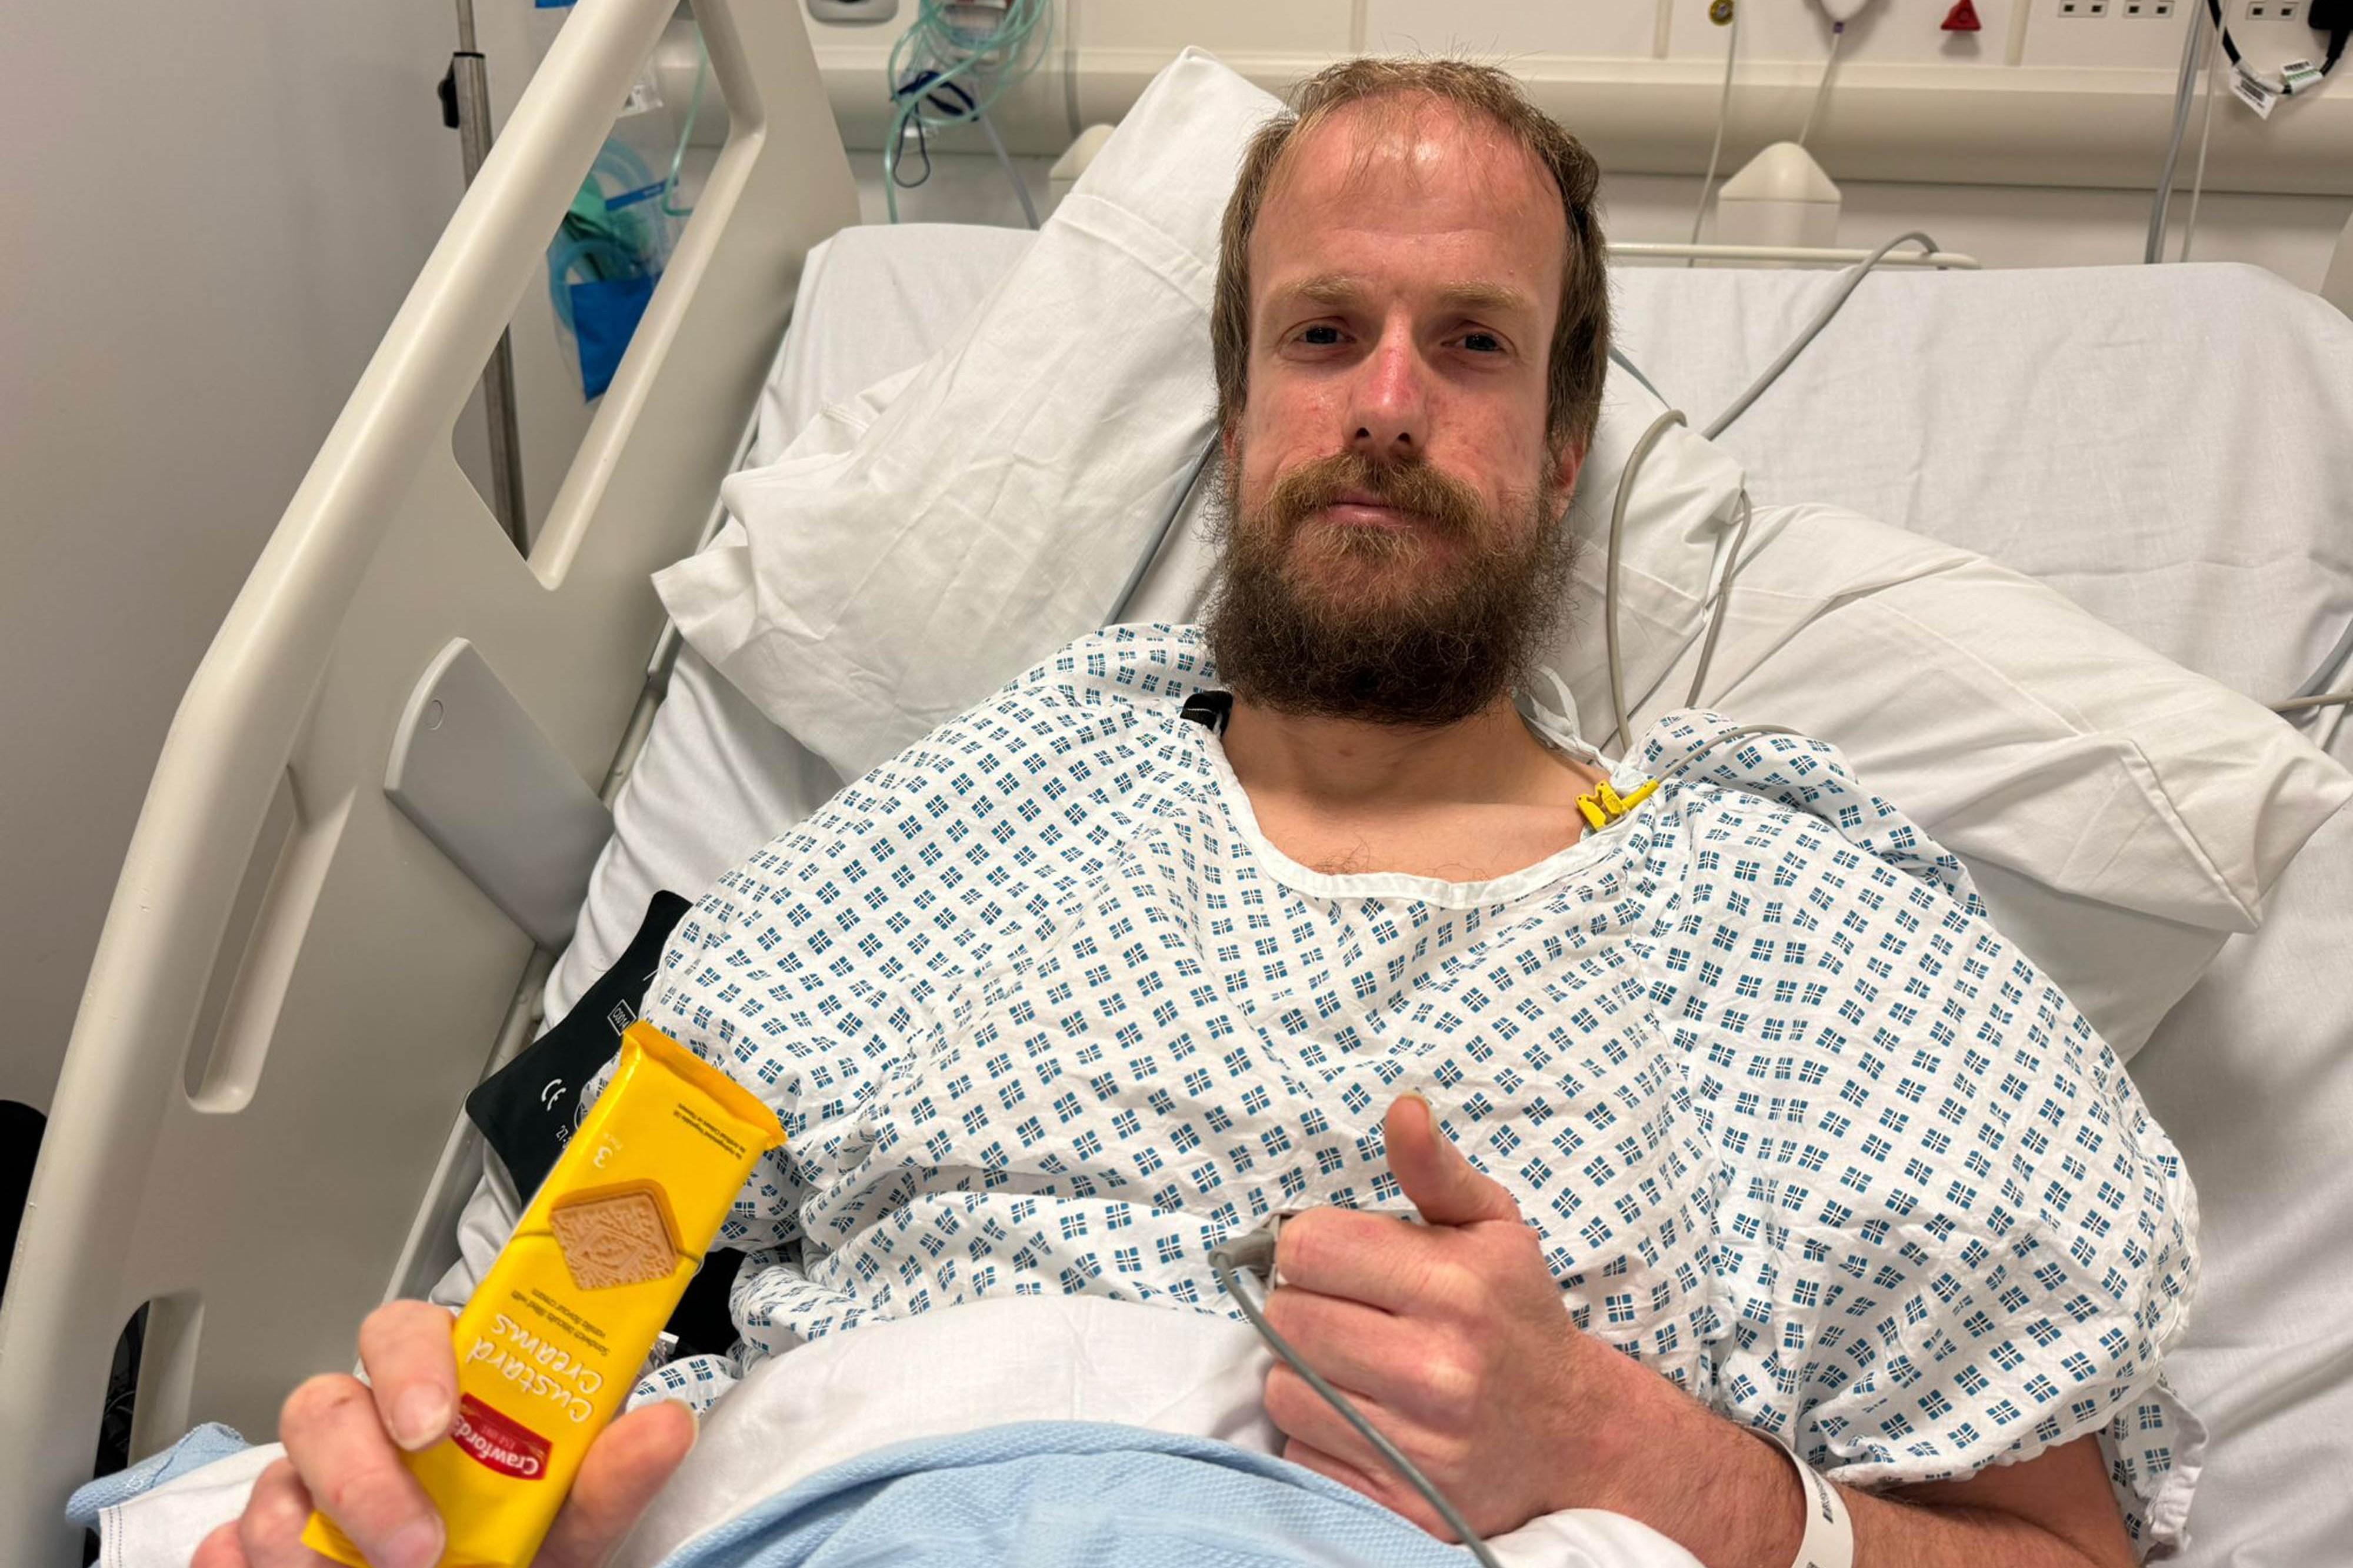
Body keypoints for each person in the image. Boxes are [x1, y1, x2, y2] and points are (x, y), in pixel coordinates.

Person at [205, 58, 2193, 1568]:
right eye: (1323, 335)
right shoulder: (994, 801)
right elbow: (601, 1269)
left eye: (1472, 345)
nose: (1387, 402)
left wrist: (1631, 1455)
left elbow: (2064, 1550)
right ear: (1240, 416)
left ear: (1567, 449)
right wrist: (445, 1490)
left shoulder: (1786, 913)